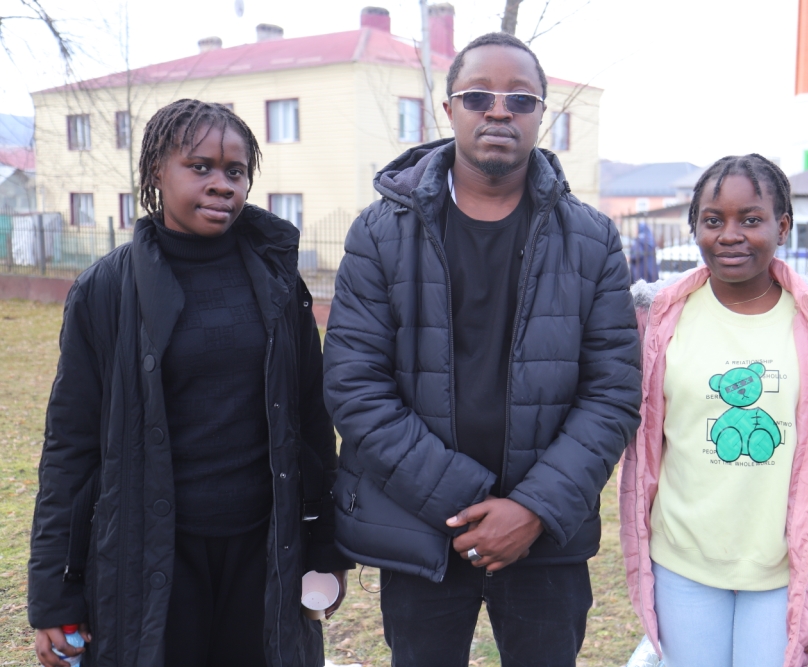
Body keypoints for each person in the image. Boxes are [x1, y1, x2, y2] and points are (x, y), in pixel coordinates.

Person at [324, 32, 642, 667]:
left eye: (520, 99)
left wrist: (529, 509)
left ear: (541, 113)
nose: (499, 111)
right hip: (421, 530)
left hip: (544, 538)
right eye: (479, 96)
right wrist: (469, 506)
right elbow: (355, 389)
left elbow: (612, 394)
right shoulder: (380, 234)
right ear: (449, 109)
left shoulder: (592, 240)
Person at [28, 99, 350, 667]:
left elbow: (311, 423)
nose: (222, 183)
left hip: (264, 551)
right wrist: (55, 594)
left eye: (236, 171)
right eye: (199, 167)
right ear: (157, 171)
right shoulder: (106, 290)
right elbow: (69, 450)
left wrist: (324, 548)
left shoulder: (278, 283)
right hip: (149, 555)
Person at [619, 154, 808, 667]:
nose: (730, 235)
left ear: (782, 227)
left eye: (750, 219)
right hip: (682, 567)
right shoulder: (657, 321)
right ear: (695, 227)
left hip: (782, 575)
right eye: (713, 220)